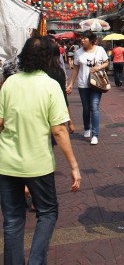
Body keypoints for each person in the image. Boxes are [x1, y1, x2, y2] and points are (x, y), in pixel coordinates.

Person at [0, 36, 81, 265]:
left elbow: (1, 122)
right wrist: (74, 166)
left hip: (6, 163)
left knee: (13, 220)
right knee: (47, 213)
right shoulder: (50, 85)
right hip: (38, 164)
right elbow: (59, 131)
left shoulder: (10, 83)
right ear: (49, 58)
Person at [66, 31, 109, 145]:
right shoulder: (78, 53)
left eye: (85, 38)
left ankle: (95, 135)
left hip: (96, 84)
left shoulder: (100, 50)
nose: (82, 40)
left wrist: (98, 67)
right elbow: (75, 69)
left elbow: (106, 62)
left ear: (91, 40)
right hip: (83, 85)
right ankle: (86, 128)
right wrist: (71, 84)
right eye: (81, 38)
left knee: (94, 107)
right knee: (86, 108)